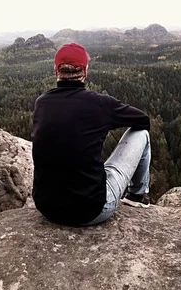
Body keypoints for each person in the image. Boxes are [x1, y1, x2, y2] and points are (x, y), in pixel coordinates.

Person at [31, 42, 152, 226]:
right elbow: (143, 121)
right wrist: (106, 121)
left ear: (56, 71)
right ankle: (136, 195)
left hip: (47, 207)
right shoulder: (100, 104)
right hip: (91, 210)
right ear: (85, 71)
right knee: (142, 134)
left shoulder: (41, 103)